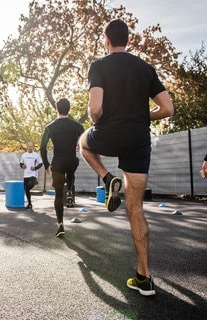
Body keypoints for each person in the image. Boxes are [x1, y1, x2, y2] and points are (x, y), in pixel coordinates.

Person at [79, 19, 174, 296]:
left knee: (83, 143)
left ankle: (107, 178)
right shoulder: (145, 69)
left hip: (108, 135)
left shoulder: (98, 66)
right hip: (138, 141)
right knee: (136, 210)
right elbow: (167, 109)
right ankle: (144, 277)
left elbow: (95, 109)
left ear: (106, 42)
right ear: (128, 41)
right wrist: (144, 115)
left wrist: (94, 117)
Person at [40, 98, 84, 237]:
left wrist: (46, 165)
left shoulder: (50, 127)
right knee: (71, 171)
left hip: (58, 163)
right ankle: (70, 191)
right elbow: (85, 141)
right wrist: (78, 145)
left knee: (58, 195)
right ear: (69, 109)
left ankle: (60, 225)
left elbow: (42, 147)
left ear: (56, 109)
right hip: (72, 161)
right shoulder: (77, 126)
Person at [19, 142, 43, 210]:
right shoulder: (24, 155)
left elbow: (41, 164)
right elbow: (21, 163)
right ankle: (29, 204)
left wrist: (35, 168)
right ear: (27, 147)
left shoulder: (36, 155)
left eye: (31, 146)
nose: (30, 147)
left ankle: (35, 181)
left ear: (33, 147)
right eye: (29, 146)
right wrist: (23, 166)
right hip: (26, 175)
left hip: (33, 174)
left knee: (28, 188)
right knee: (26, 190)